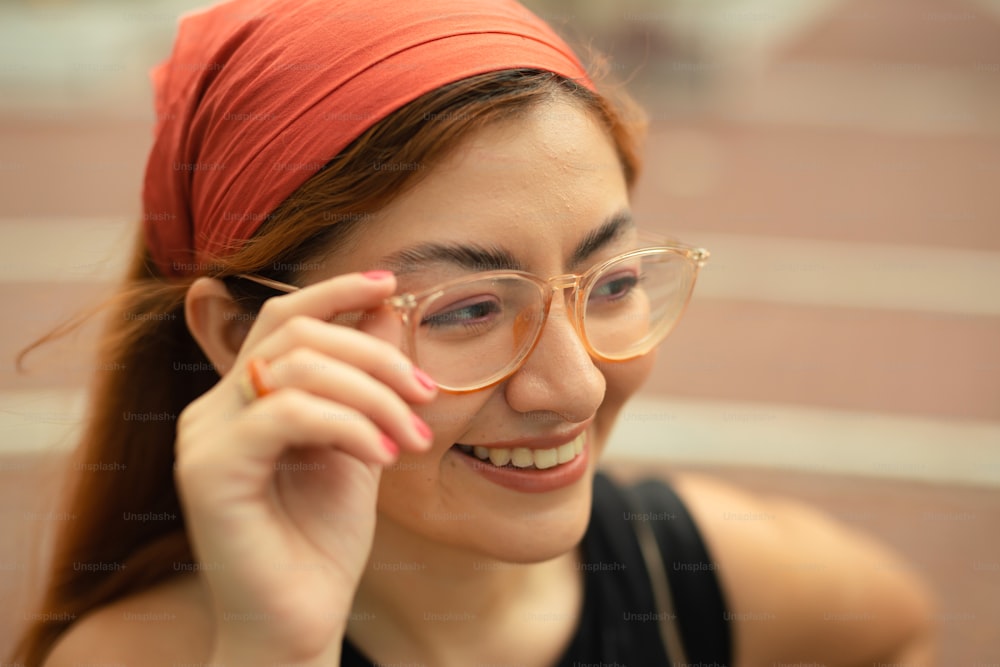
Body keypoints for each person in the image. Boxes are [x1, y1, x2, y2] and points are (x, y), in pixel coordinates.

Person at [13, 0, 934, 665]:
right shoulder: (145, 654)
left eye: (610, 282)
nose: (572, 387)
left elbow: (900, 633)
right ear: (236, 334)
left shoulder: (719, 583)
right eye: (466, 309)